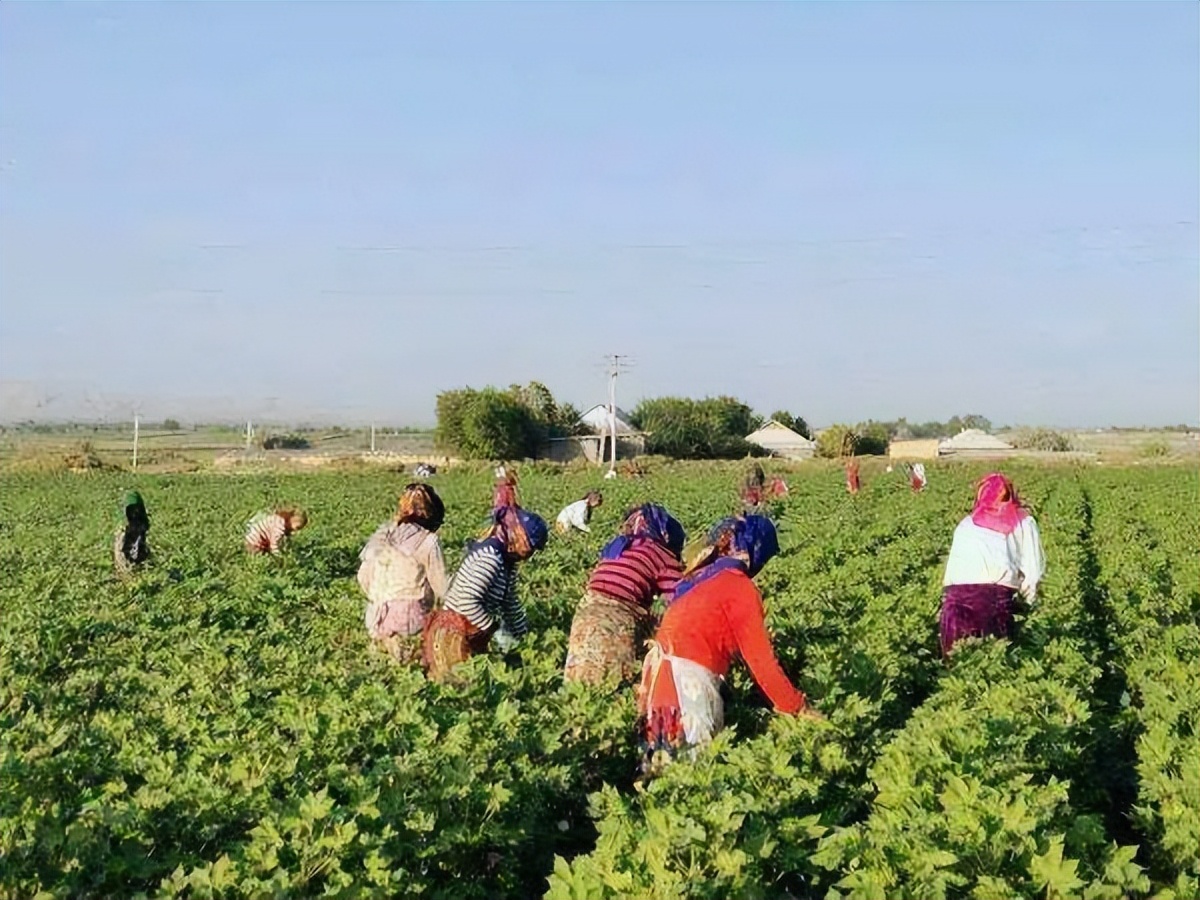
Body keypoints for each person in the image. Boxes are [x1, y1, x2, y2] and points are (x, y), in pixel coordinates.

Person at [637, 515, 819, 777]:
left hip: (660, 682)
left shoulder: (698, 581)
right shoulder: (739, 587)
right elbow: (761, 663)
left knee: (661, 774)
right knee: (694, 777)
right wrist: (796, 707)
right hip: (687, 684)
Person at [563, 503, 686, 685]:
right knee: (617, 683)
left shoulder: (619, 547)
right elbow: (680, 599)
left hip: (585, 614)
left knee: (580, 681)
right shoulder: (662, 554)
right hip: (617, 620)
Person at [422, 504, 548, 680]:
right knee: (460, 685)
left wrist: (522, 637)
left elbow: (510, 602)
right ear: (518, 536)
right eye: (530, 547)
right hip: (455, 635)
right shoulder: (490, 558)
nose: (530, 554)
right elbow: (467, 602)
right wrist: (494, 631)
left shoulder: (508, 560)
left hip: (474, 632)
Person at [940, 473, 1045, 658]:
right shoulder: (1023, 521)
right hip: (991, 602)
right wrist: (1029, 605)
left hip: (953, 603)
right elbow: (1032, 572)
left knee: (959, 664)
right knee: (994, 666)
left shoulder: (966, 524)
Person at [358, 483, 448, 661]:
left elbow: (363, 575)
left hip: (375, 615)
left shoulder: (384, 533)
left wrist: (378, 597)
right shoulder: (427, 541)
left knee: (381, 670)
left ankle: (385, 642)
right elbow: (441, 585)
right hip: (409, 616)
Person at [113, 490, 151, 573]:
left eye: (137, 509)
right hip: (127, 568)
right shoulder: (122, 532)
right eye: (132, 510)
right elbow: (120, 554)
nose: (135, 513)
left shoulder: (143, 528)